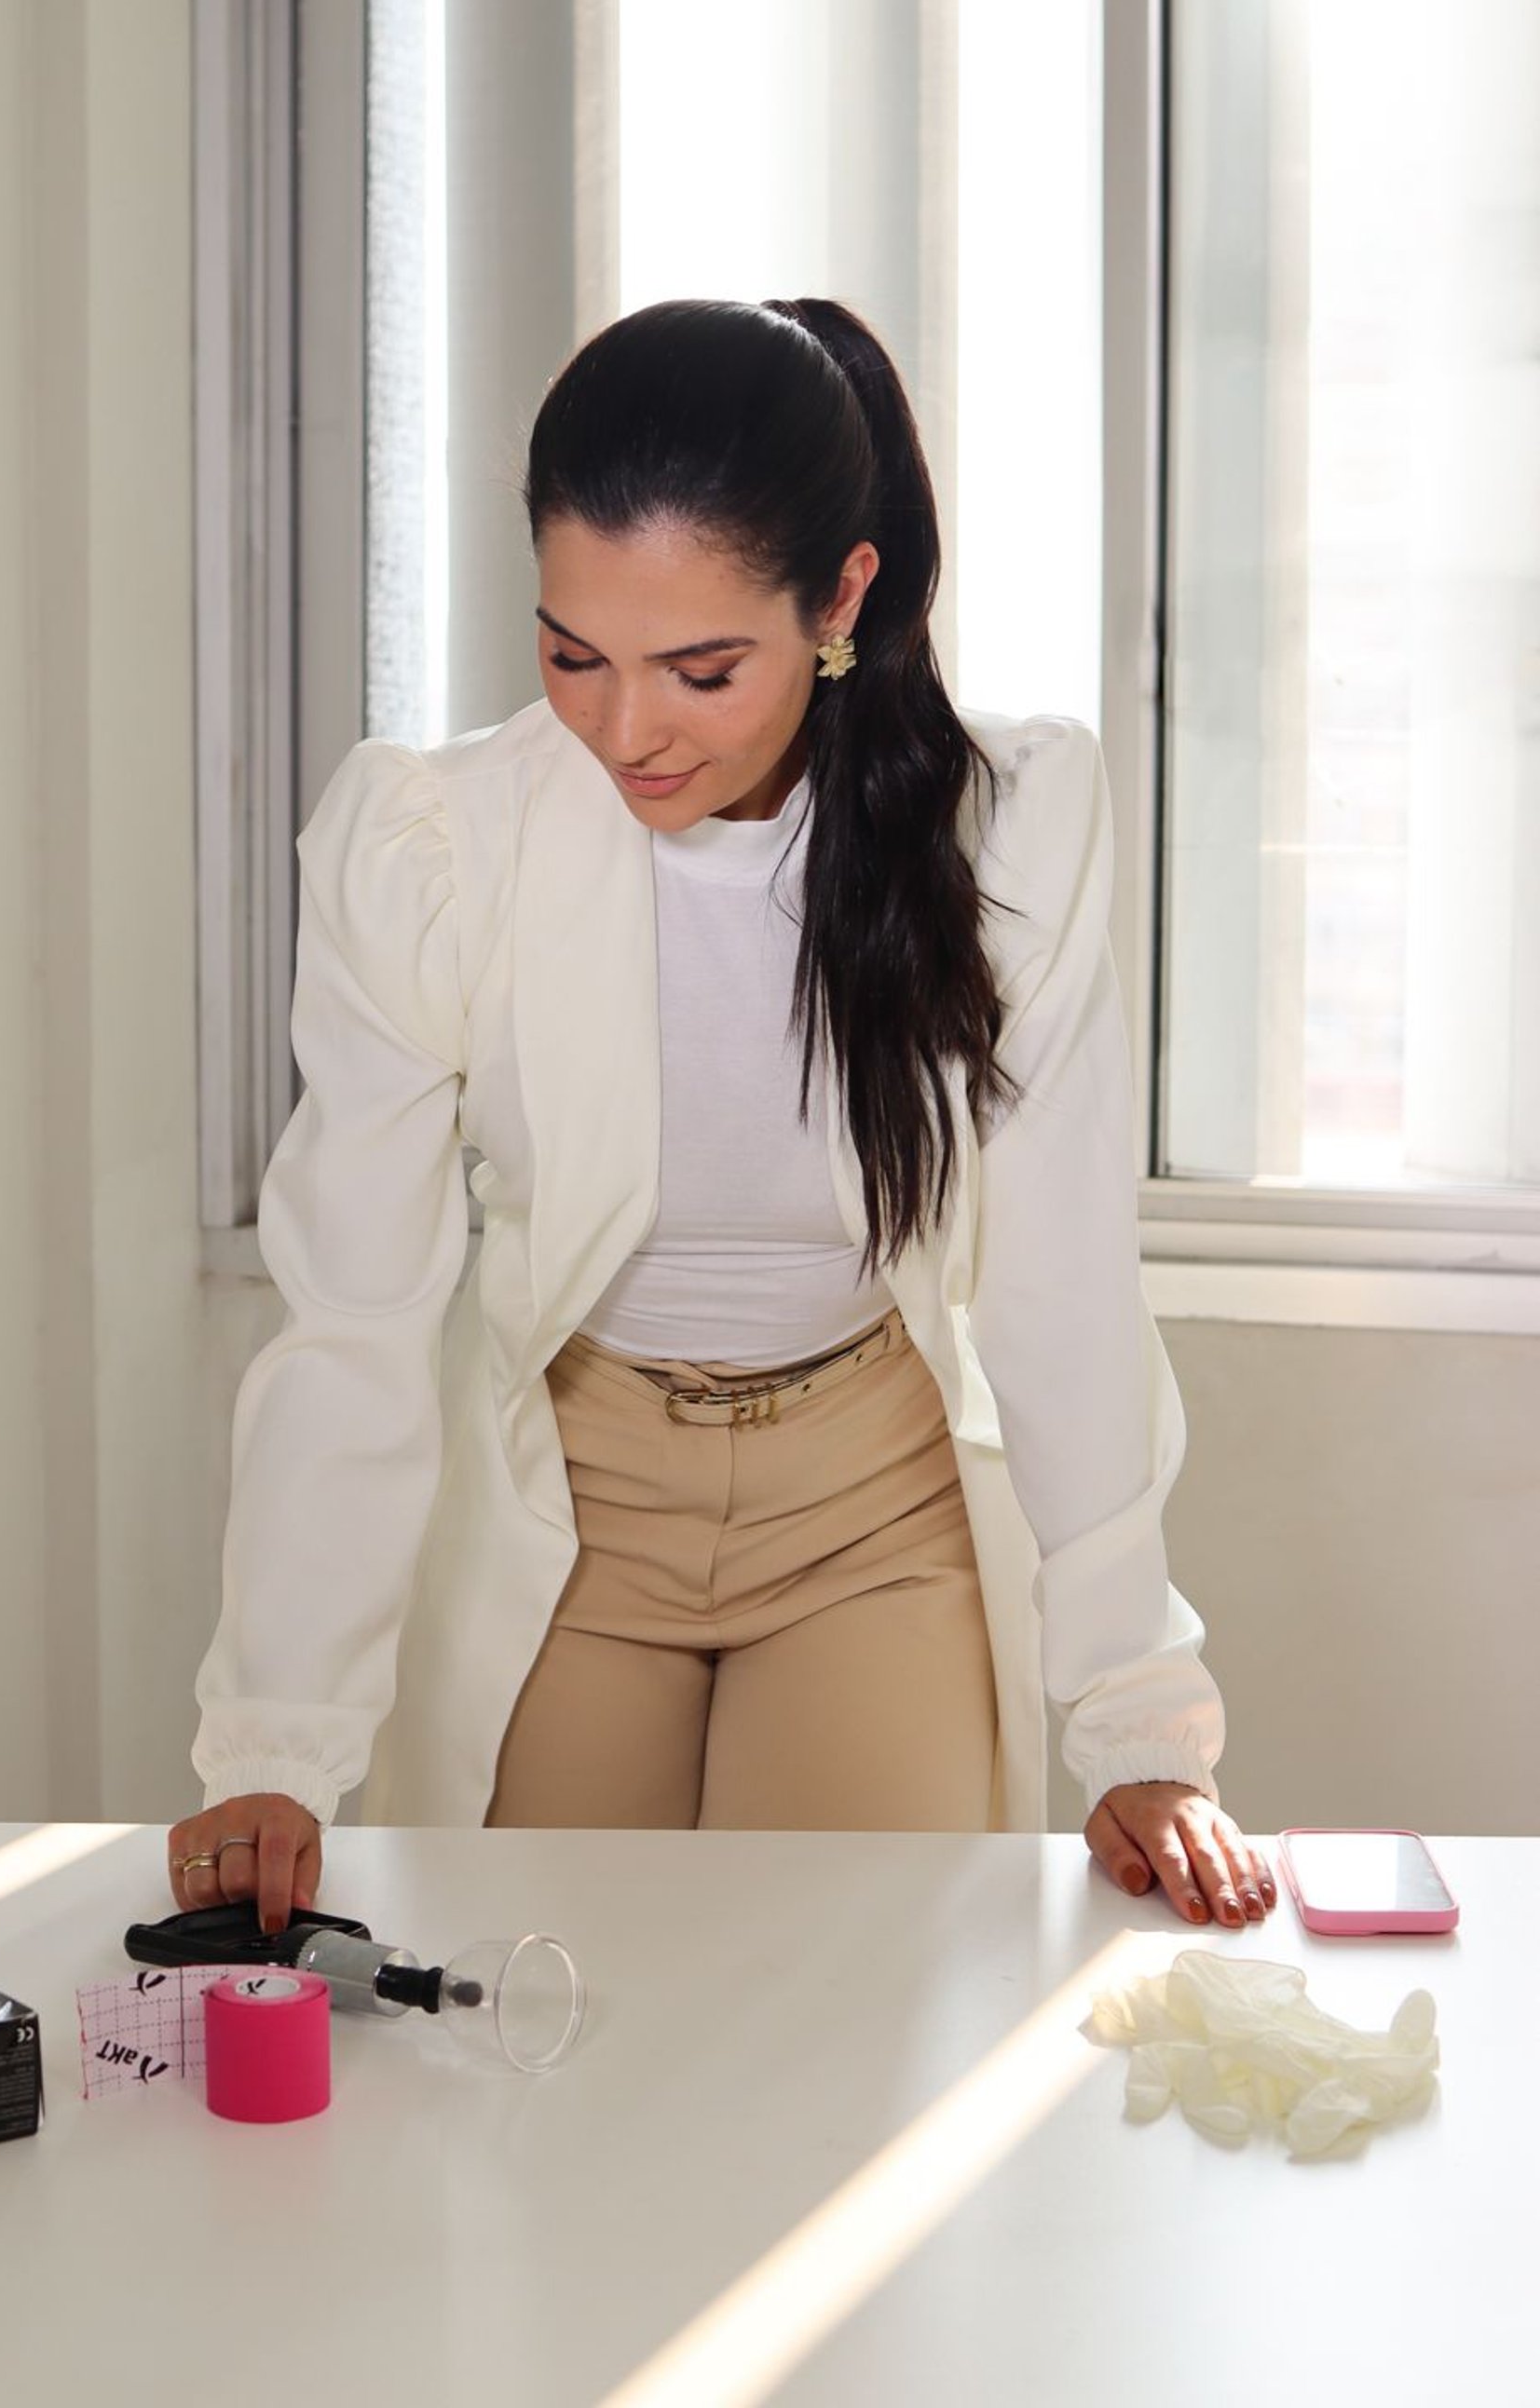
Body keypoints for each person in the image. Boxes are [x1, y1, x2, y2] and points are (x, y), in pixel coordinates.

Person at [169, 296, 1275, 1942]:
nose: (627, 732)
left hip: (873, 1504)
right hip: (571, 1489)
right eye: (572, 655)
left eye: (700, 669)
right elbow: (356, 1319)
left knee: (834, 2032)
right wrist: (272, 1743)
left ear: (840, 598)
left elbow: (1057, 1285)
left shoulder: (1002, 838)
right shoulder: (431, 847)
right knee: (534, 2032)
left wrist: (1133, 1712)